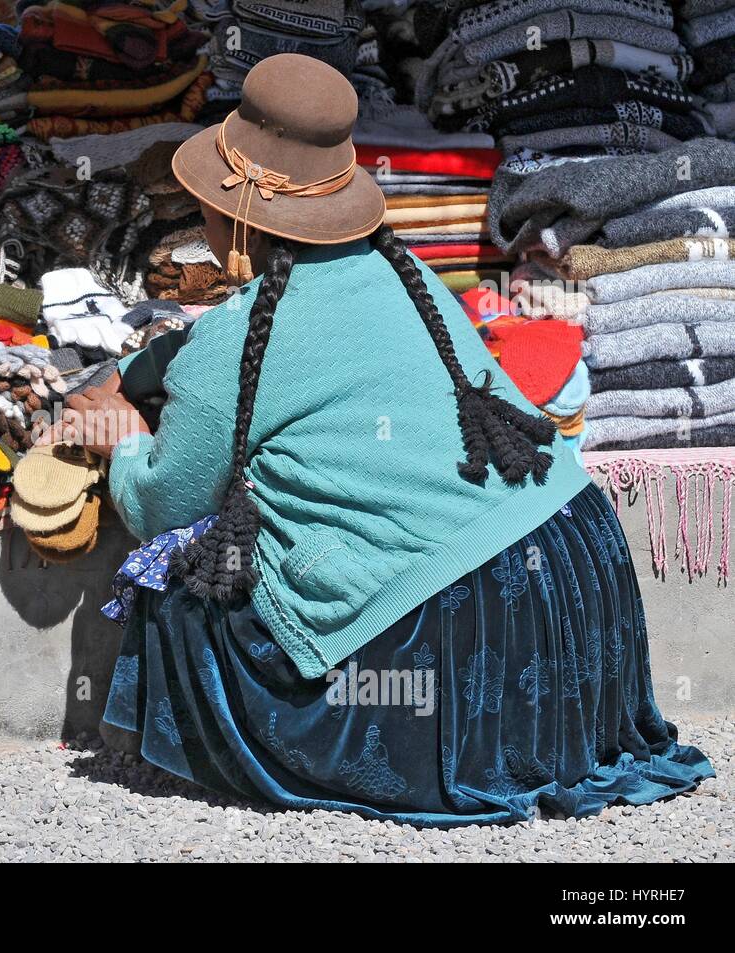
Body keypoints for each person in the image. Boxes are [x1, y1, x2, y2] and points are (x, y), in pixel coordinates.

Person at [53, 54, 713, 826]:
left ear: (237, 217)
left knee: (179, 587)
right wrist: (152, 365)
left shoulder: (235, 345)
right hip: (581, 581)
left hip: (459, 628)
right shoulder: (410, 276)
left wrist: (122, 434)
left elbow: (162, 503)